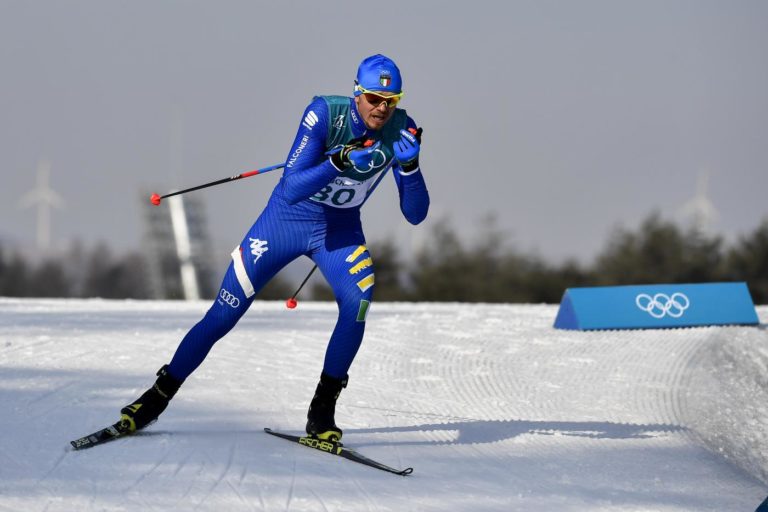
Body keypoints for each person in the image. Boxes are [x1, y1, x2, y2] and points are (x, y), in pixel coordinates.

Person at [118, 54, 429, 442]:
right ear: (356, 94)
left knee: (359, 302)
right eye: (373, 98)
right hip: (285, 222)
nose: (382, 108)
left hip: (339, 230)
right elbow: (293, 187)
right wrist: (340, 160)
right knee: (223, 314)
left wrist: (411, 168)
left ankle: (322, 413)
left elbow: (415, 216)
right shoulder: (323, 115)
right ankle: (154, 399)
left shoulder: (404, 129)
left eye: (391, 100)